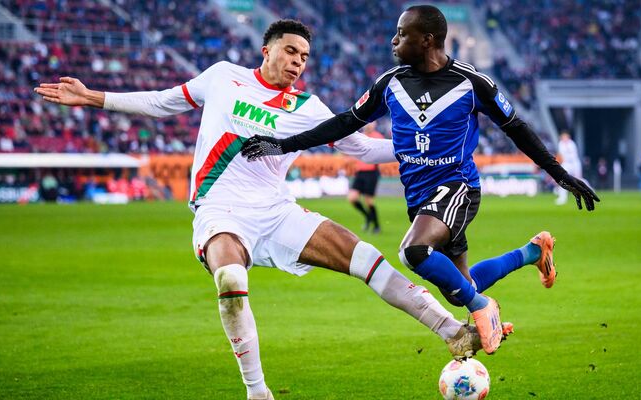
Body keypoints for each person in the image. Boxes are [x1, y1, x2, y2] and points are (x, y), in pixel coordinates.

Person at [34, 20, 489, 400]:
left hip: (276, 210)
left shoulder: (309, 107)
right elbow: (162, 102)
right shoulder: (223, 77)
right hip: (220, 211)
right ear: (266, 49)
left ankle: (452, 330)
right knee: (230, 278)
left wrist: (428, 149)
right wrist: (94, 97)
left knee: (365, 257)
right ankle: (258, 391)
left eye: (305, 57)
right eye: (290, 51)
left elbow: (362, 149)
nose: (297, 62)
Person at [240, 6, 599, 355]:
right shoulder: (390, 83)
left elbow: (517, 129)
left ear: (427, 40)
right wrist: (283, 145)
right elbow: (346, 122)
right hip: (420, 197)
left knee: (414, 252)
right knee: (461, 285)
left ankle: (483, 307)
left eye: (402, 33)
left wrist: (561, 175)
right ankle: (533, 252)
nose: (393, 41)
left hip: (458, 187)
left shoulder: (471, 83)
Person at [348, 121, 384, 233]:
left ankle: (376, 226)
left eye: (371, 122)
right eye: (368, 122)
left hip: (371, 172)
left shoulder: (378, 137)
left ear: (375, 124)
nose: (369, 124)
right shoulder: (359, 136)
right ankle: (368, 217)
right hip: (360, 172)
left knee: (369, 201)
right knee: (352, 198)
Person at [555, 130, 584, 205]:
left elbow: (573, 155)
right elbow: (562, 156)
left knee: (579, 179)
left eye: (565, 137)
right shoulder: (560, 144)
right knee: (562, 179)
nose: (564, 138)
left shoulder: (571, 143)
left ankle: (589, 191)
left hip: (574, 163)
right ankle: (562, 198)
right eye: (563, 137)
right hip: (566, 164)